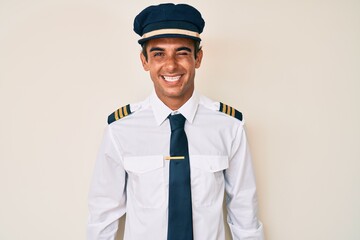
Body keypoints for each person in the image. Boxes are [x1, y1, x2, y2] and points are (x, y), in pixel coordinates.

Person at [87, 3, 264, 240]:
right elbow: (102, 218)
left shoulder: (229, 126)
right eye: (158, 54)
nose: (171, 65)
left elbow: (245, 215)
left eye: (182, 52)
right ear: (144, 61)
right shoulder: (120, 129)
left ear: (197, 58)